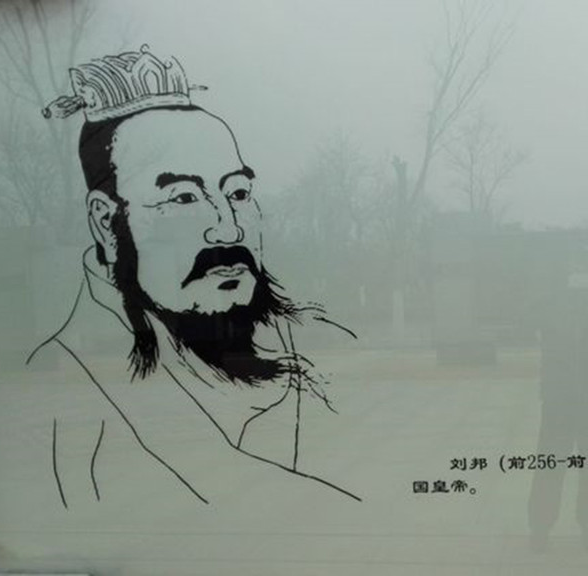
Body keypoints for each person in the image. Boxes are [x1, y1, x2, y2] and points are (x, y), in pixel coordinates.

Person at [27, 47, 358, 507]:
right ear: (106, 222)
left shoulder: (299, 343)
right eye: (184, 198)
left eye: (237, 193)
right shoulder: (72, 401)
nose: (228, 228)